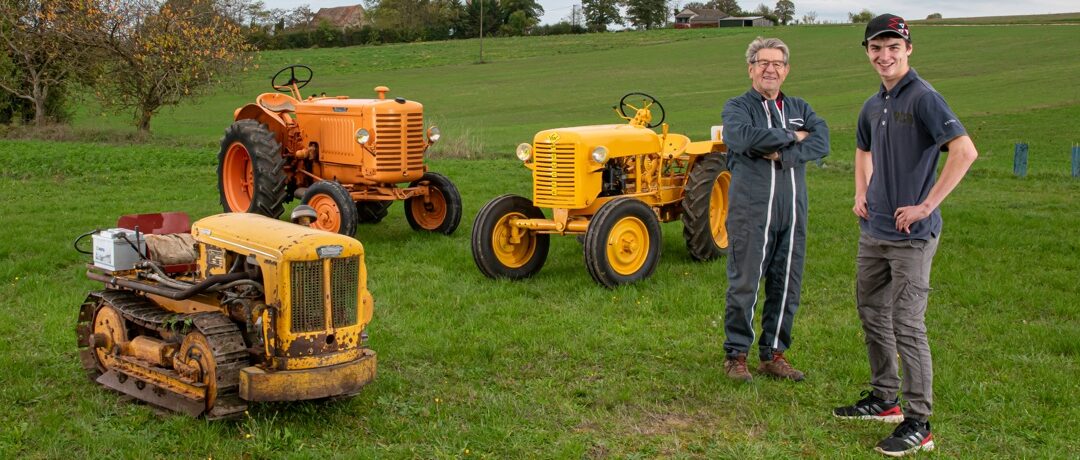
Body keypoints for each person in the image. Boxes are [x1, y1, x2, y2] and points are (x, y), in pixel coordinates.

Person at [832, 14, 978, 457]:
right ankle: (884, 399)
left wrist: (926, 205)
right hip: (873, 230)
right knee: (871, 312)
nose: (884, 55)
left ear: (908, 49)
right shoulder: (872, 104)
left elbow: (965, 151)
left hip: (911, 236)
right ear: (868, 52)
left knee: (908, 324)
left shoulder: (924, 97)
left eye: (893, 47)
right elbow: (862, 150)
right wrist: (861, 190)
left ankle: (919, 422)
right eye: (876, 48)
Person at [720, 37, 830, 382]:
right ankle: (736, 354)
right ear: (751, 68)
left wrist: (784, 153)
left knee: (786, 284)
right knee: (745, 284)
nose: (770, 69)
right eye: (763, 63)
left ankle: (774, 354)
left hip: (792, 211)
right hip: (751, 211)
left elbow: (822, 139)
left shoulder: (799, 106)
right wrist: (794, 136)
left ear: (786, 70)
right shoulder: (738, 107)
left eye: (777, 63)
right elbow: (742, 139)